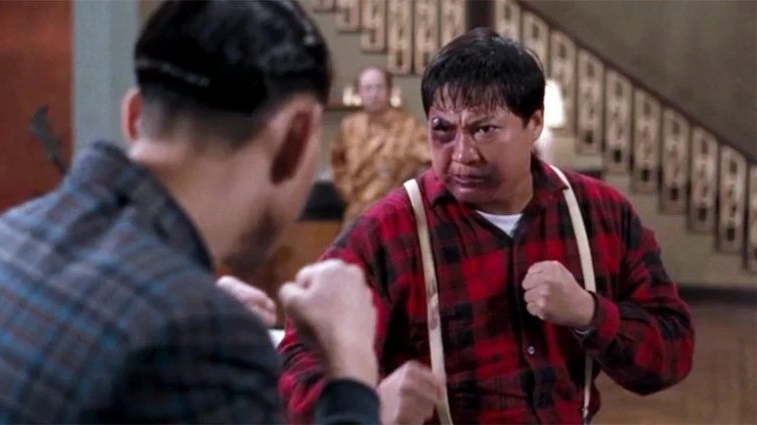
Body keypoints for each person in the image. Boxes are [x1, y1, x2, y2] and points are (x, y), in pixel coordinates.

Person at [0, 1, 380, 423]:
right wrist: (352, 370)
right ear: (296, 136)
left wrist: (186, 303)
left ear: (133, 116)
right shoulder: (197, 334)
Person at [278, 28, 695, 425]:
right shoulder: (388, 232)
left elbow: (672, 352)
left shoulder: (599, 213)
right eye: (443, 130)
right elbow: (295, 368)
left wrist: (589, 313)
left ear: (534, 124)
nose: (462, 155)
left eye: (484, 129)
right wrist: (366, 404)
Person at [330, 66, 431, 224]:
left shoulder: (409, 127)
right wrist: (347, 190)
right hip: (356, 214)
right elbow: (336, 162)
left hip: (395, 215)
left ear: (389, 91)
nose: (374, 94)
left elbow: (434, 161)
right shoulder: (350, 126)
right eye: (368, 88)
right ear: (358, 93)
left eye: (379, 87)